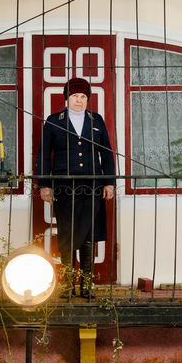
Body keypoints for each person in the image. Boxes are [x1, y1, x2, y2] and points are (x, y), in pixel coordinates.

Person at [36, 77, 116, 297]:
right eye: (75, 96)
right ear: (66, 98)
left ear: (87, 99)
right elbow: (44, 155)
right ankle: (68, 285)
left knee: (89, 234)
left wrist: (109, 182)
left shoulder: (96, 120)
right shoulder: (54, 121)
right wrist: (44, 185)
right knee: (67, 234)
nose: (79, 101)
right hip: (64, 186)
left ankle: (86, 286)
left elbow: (107, 154)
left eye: (83, 97)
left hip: (92, 186)